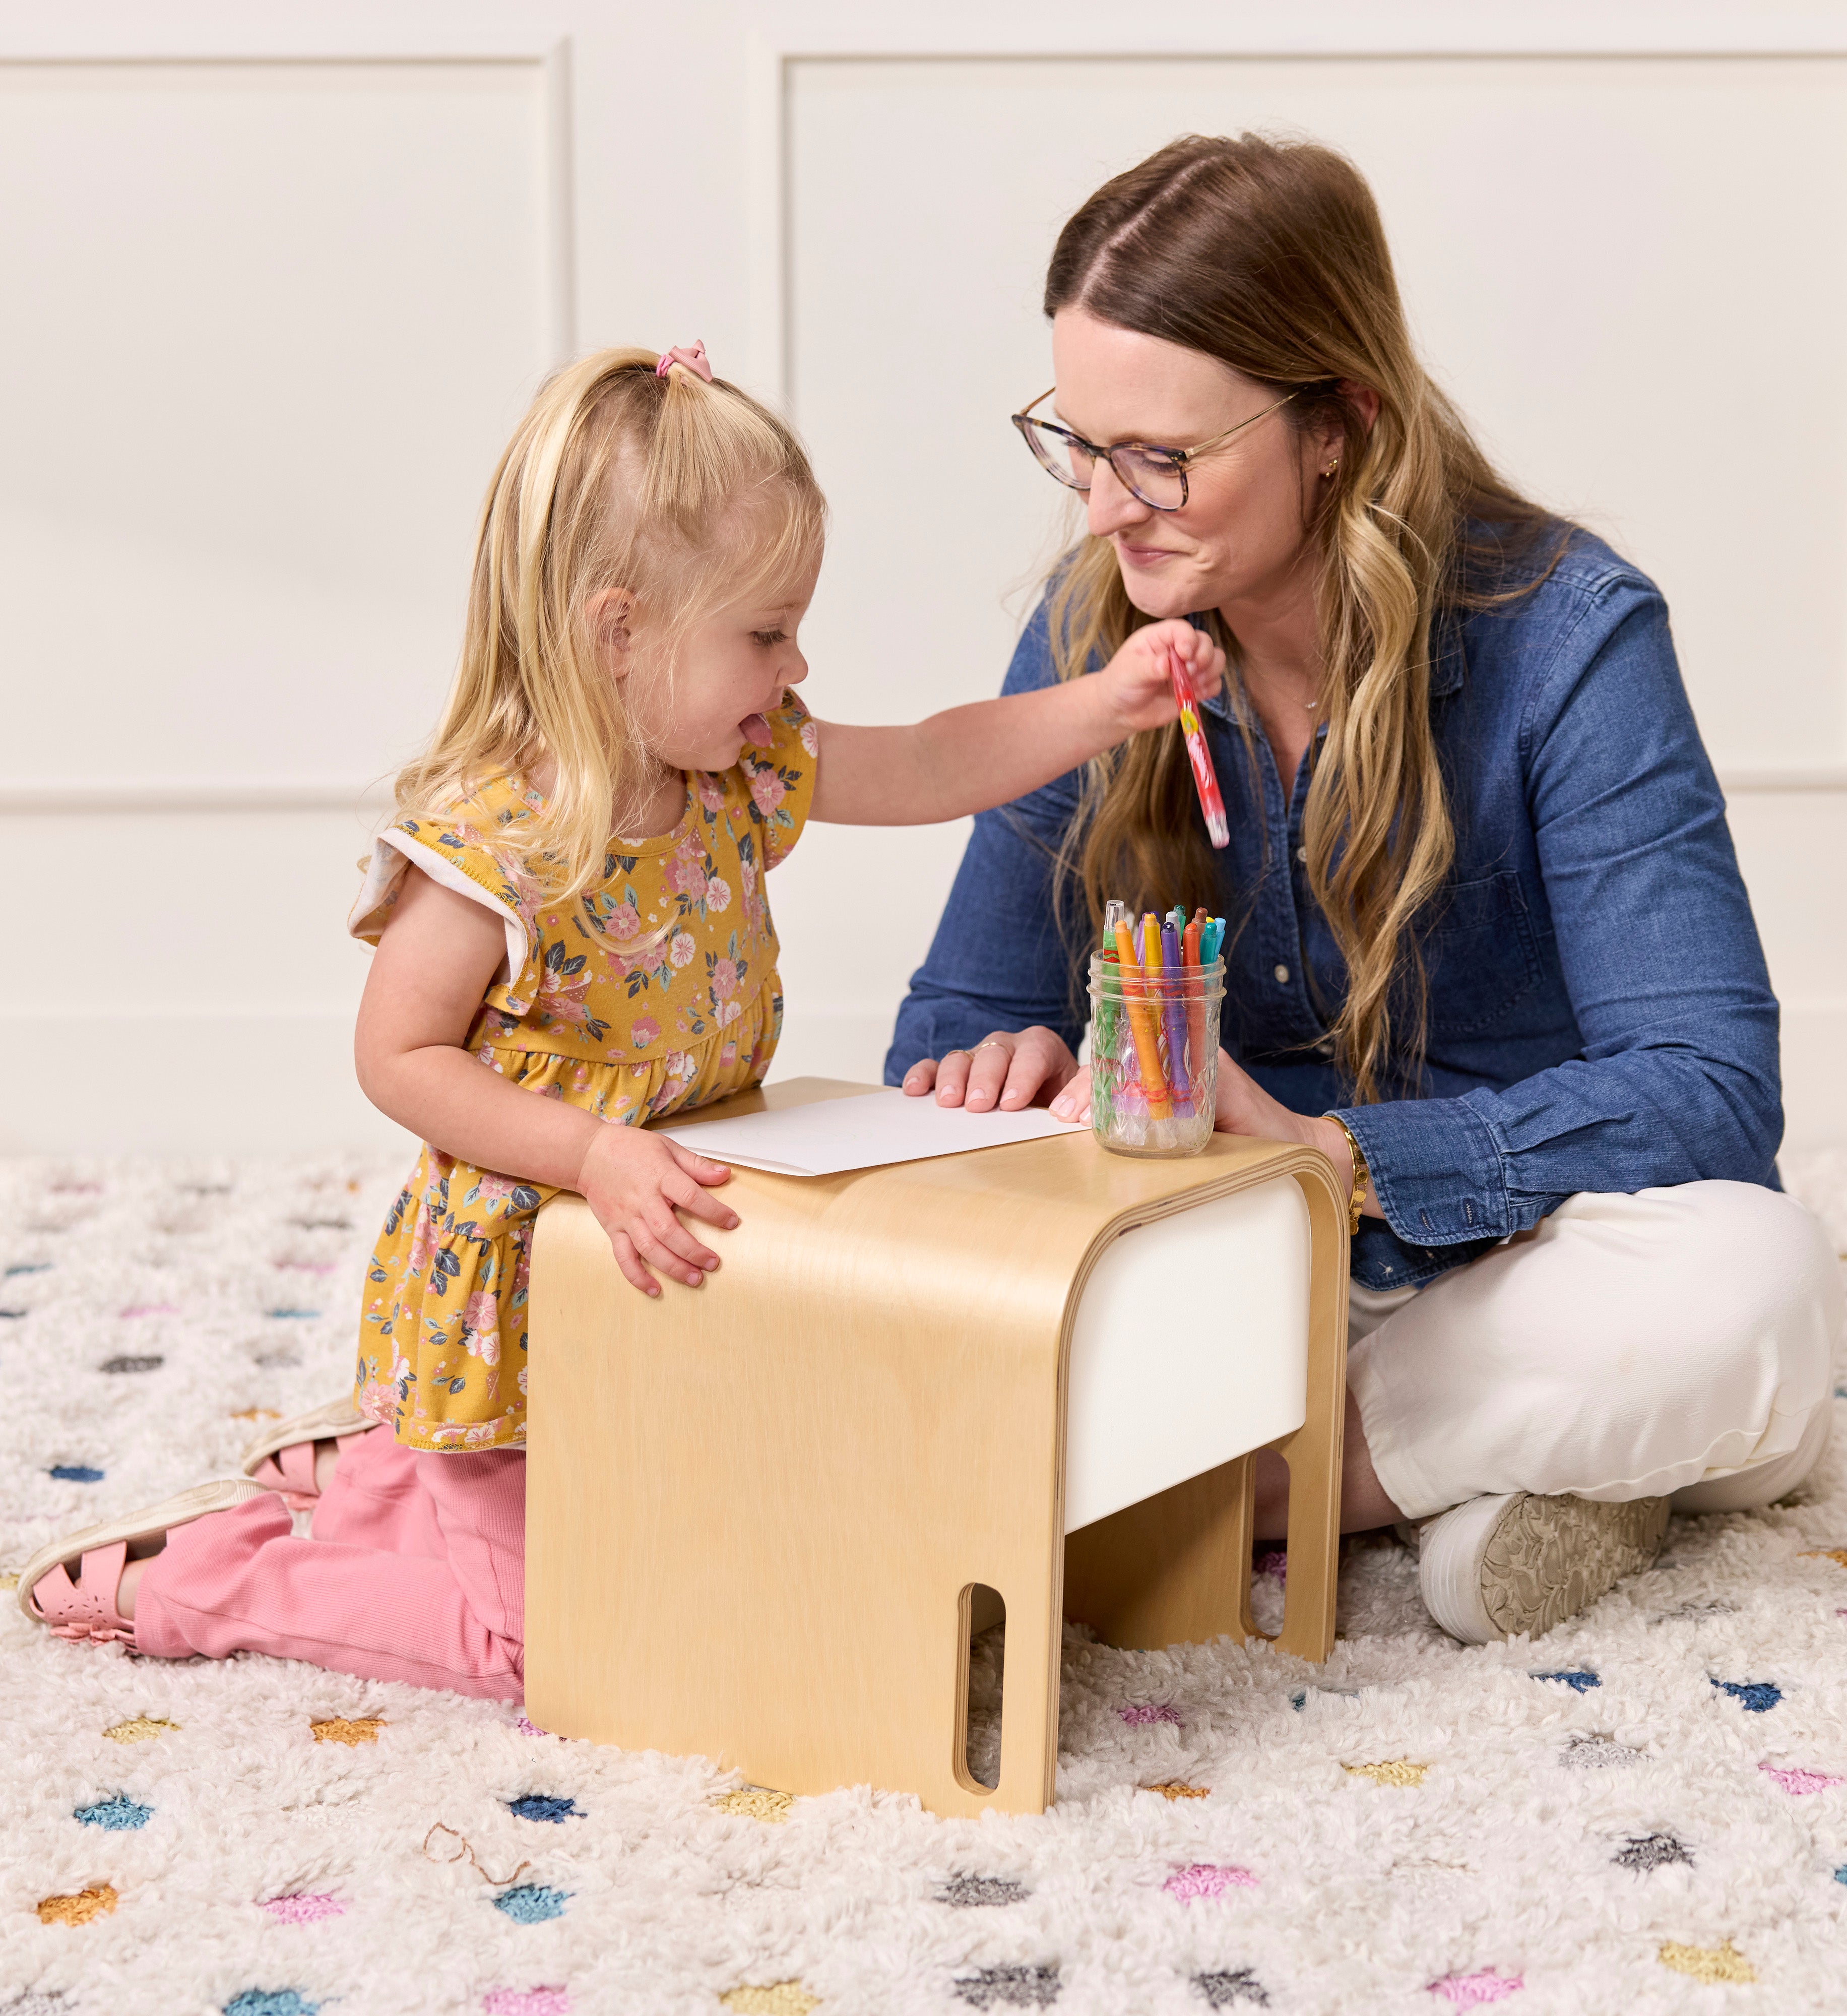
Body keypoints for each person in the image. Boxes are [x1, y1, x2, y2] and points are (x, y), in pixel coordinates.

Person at [18, 340, 1222, 1692]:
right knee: (563, 1644)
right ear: (618, 630)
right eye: (765, 632)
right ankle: (209, 1576)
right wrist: (590, 1154)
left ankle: (375, 1478)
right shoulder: (499, 841)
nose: (798, 659)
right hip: (527, 1301)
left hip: (665, 1268)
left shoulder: (743, 768)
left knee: (729, 1552)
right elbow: (397, 1056)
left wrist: (1106, 704)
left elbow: (937, 762)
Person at [889, 135, 1841, 1645]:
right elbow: (958, 1013)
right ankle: (1503, 1473)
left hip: (1508, 1256)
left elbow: (1710, 1089)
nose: (1103, 510)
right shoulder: (1098, 635)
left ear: (1338, 424)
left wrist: (1341, 1156)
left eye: (1163, 459)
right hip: (1222, 1283)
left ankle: (1208, 1494)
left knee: (1751, 1286)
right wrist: (1014, 1063)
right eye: (1078, 444)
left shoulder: (1567, 638)